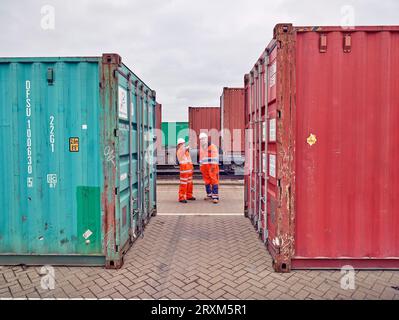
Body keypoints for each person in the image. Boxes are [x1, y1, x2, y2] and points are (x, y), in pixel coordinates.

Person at [198, 133, 220, 204]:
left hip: (212, 167)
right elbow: (201, 158)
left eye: (203, 139)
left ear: (207, 139)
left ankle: (215, 197)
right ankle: (209, 195)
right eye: (201, 139)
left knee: (214, 180)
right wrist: (201, 166)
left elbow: (215, 157)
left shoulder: (212, 146)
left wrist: (213, 166)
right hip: (205, 168)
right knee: (207, 181)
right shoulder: (201, 148)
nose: (202, 140)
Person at [176, 138, 196, 203]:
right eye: (182, 144)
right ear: (179, 145)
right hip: (184, 170)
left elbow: (189, 160)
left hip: (189, 170)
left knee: (190, 184)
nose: (183, 145)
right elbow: (184, 149)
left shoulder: (186, 151)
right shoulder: (180, 151)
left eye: (183, 143)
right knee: (183, 184)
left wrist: (192, 167)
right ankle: (181, 198)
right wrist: (190, 144)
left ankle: (189, 195)